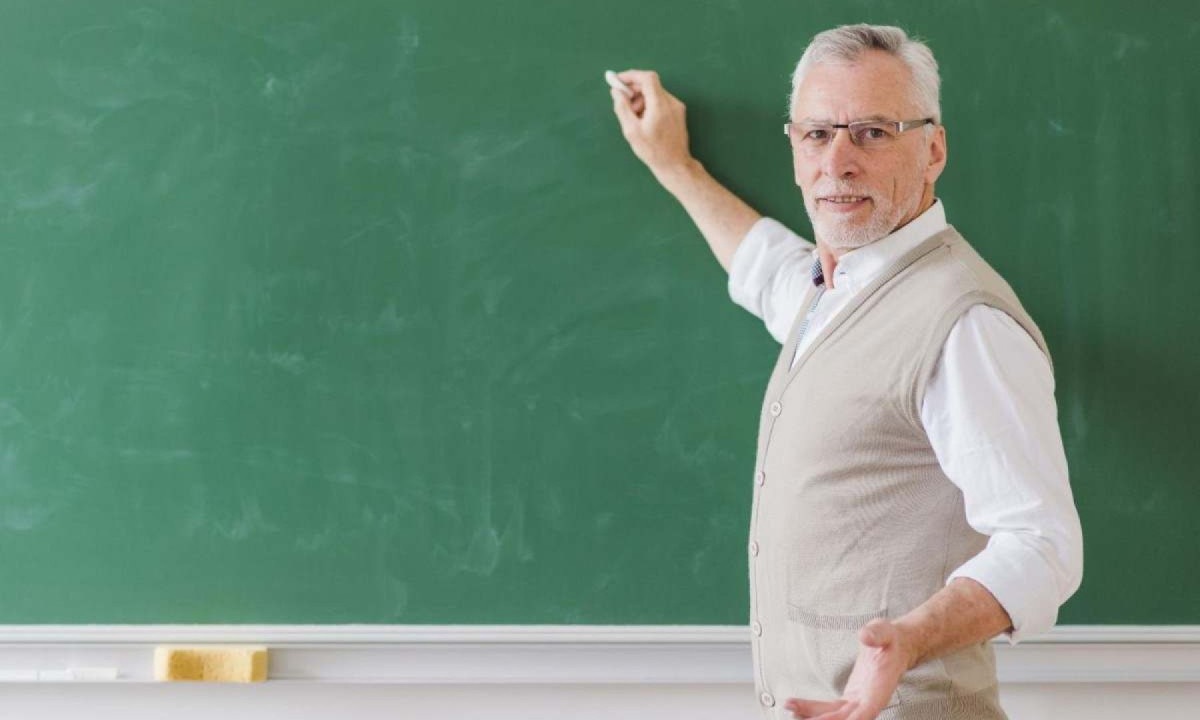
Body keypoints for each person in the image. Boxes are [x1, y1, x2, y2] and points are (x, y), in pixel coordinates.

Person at [608, 24, 1084, 720]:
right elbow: (763, 266)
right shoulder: (831, 290)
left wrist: (907, 640)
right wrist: (675, 166)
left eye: (873, 132)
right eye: (816, 134)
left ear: (934, 149)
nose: (838, 162)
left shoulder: (965, 323)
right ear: (795, 149)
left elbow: (1043, 546)